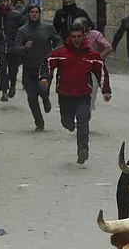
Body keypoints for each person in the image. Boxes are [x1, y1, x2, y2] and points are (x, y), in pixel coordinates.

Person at [41, 21, 112, 165]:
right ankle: (69, 125)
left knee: (83, 121)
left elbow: (101, 71)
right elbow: (47, 62)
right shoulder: (61, 53)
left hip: (83, 95)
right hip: (65, 94)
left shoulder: (91, 55)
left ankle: (83, 149)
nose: (77, 39)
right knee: (67, 122)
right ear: (70, 37)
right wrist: (44, 77)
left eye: (79, 36)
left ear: (84, 36)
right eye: (74, 37)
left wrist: (106, 90)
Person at [13, 4, 61, 131]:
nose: (34, 14)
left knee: (43, 89)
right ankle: (39, 122)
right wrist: (24, 48)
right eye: (32, 12)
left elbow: (58, 40)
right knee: (31, 97)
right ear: (28, 14)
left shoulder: (47, 28)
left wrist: (55, 52)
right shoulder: (22, 31)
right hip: (29, 68)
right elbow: (16, 48)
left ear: (39, 13)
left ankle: (45, 99)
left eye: (36, 12)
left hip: (45, 67)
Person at [75, 17, 112, 112]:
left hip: (93, 69)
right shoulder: (74, 37)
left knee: (91, 93)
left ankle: (86, 113)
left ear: (85, 26)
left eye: (78, 26)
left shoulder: (95, 35)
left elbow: (108, 47)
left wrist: (99, 58)